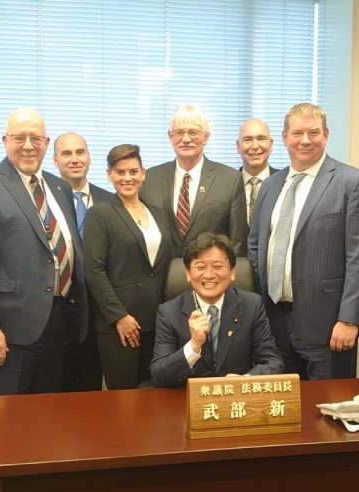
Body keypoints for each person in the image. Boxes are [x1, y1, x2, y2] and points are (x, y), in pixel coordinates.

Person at [0, 108, 88, 492]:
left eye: (37, 138)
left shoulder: (59, 189)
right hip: (10, 325)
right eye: (20, 137)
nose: (28, 145)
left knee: (45, 410)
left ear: (47, 145)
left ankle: (36, 483)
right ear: (5, 141)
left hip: (59, 319)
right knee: (5, 413)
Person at [247, 103, 359, 380]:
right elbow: (256, 245)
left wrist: (349, 319)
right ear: (284, 138)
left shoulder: (352, 182)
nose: (305, 140)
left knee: (329, 409)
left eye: (313, 132)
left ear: (326, 135)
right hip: (274, 322)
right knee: (283, 410)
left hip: (327, 324)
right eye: (297, 133)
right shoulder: (271, 185)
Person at [82, 144, 172, 389]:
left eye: (133, 171)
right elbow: (94, 269)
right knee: (124, 400)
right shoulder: (100, 214)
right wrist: (119, 316)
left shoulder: (159, 213)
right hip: (120, 324)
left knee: (153, 393)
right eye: (120, 172)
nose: (127, 178)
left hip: (157, 321)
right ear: (109, 175)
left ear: (143, 173)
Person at [151, 232, 283, 387]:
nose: (209, 275)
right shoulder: (169, 312)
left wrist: (244, 381)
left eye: (218, 266)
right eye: (200, 267)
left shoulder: (251, 305)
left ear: (232, 272)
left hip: (237, 402)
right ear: (188, 273)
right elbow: (159, 376)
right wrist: (193, 346)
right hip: (188, 403)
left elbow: (274, 363)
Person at [140, 104, 248, 257]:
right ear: (170, 137)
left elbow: (238, 242)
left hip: (210, 276)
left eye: (193, 132)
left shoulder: (230, 180)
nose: (186, 139)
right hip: (160, 276)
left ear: (206, 137)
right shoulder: (149, 179)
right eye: (179, 133)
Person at [53, 132, 115, 392]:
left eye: (80, 152)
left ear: (89, 158)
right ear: (55, 160)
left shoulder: (111, 201)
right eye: (66, 154)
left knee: (92, 391)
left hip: (98, 311)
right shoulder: (45, 201)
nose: (74, 159)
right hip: (57, 310)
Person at [236, 118, 278, 224]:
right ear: (238, 146)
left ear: (271, 144)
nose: (255, 146)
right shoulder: (227, 185)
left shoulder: (285, 182)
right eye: (248, 140)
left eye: (261, 139)